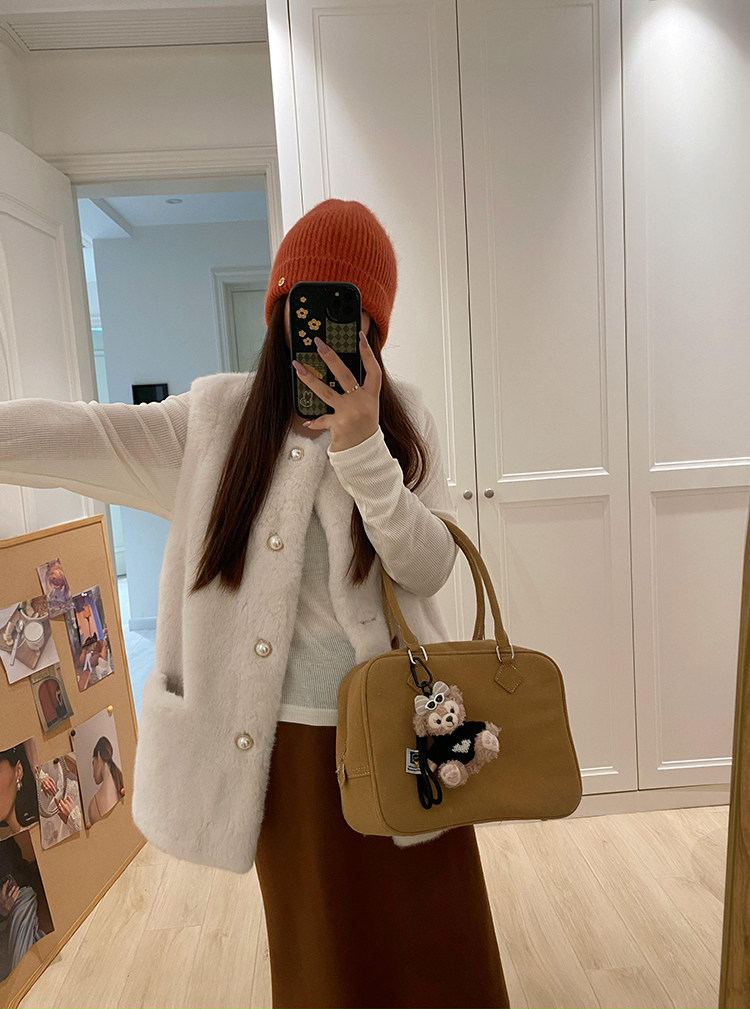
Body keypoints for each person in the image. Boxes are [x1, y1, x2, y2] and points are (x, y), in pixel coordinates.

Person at [0, 199, 510, 1008]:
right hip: (291, 753)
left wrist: (363, 447)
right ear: (280, 311)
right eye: (307, 309)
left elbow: (430, 564)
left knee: (437, 941)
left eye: (350, 316)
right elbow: (84, 433)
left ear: (374, 328)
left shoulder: (404, 418)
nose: (324, 336)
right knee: (325, 962)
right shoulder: (215, 423)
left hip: (405, 732)